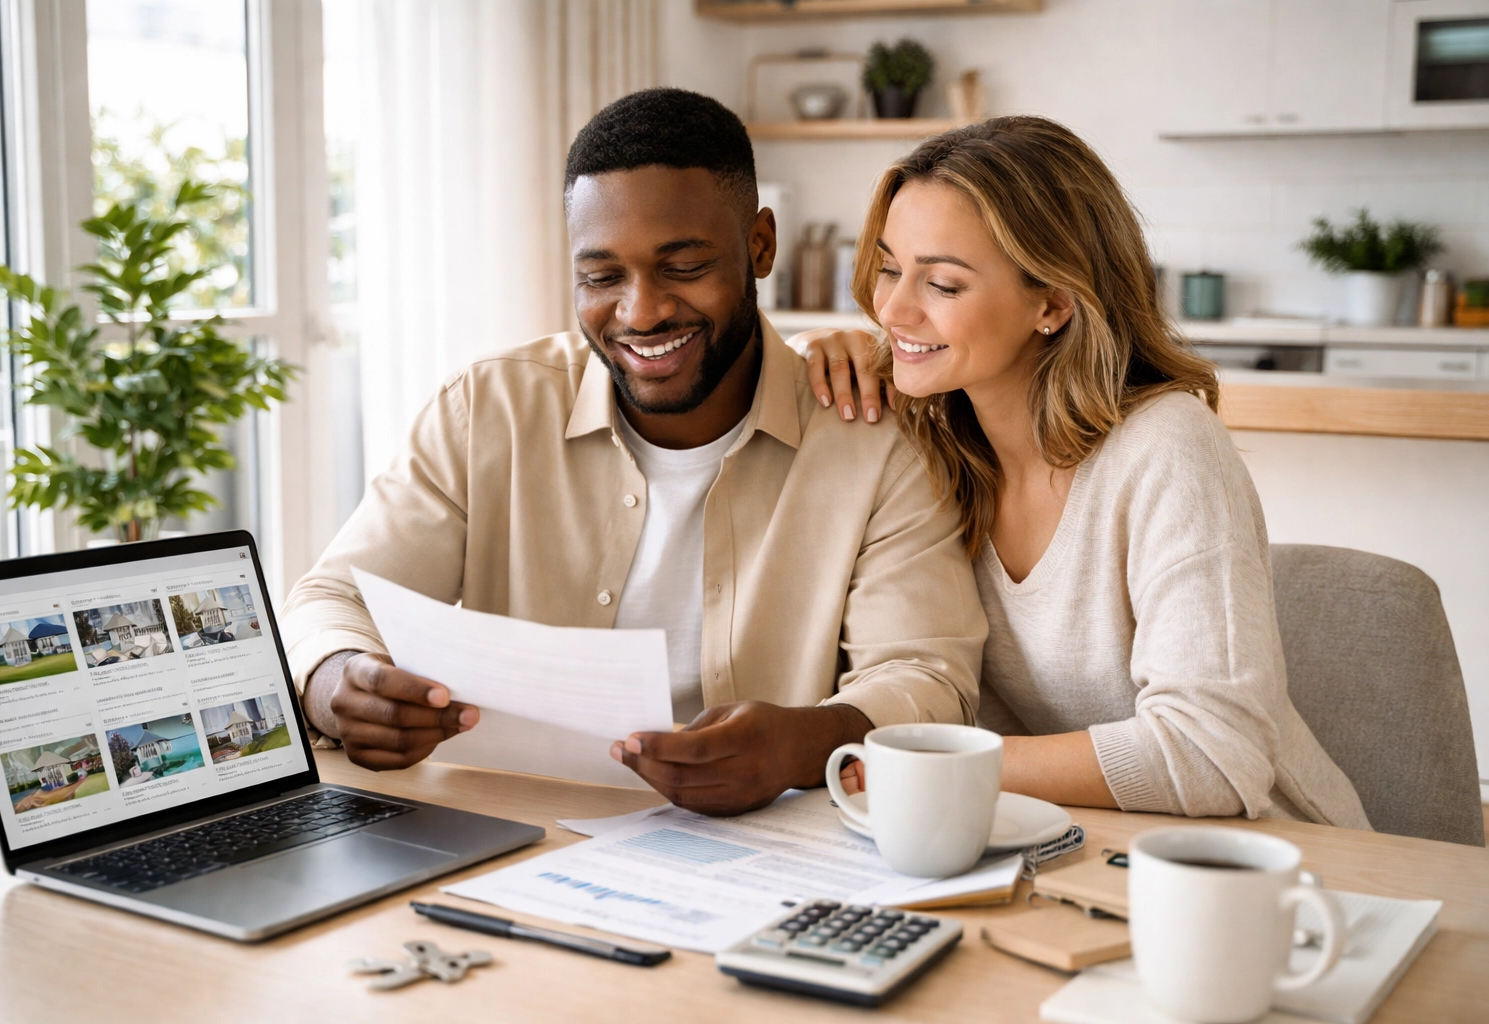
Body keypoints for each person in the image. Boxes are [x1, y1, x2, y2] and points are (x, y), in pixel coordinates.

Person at [281, 89, 986, 817]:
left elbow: (927, 675)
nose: (641, 312)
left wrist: (804, 743)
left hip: (767, 840)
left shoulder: (873, 437)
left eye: (683, 267)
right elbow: (333, 598)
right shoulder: (487, 411)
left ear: (761, 246)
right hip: (509, 831)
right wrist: (338, 683)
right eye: (601, 277)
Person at [799, 116, 1369, 827]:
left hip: (1266, 861)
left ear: (1052, 304)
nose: (892, 308)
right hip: (1059, 843)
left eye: (941, 283)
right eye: (889, 267)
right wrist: (815, 352)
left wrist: (936, 761)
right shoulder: (930, 433)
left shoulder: (1167, 449)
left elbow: (1214, 756)